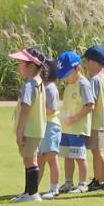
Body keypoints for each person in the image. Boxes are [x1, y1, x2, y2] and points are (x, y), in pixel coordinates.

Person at [44, 50, 95, 197]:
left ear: (78, 68)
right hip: (66, 127)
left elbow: (89, 105)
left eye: (68, 74)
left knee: (79, 156)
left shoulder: (83, 84)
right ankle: (68, 182)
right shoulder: (69, 84)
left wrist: (75, 118)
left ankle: (82, 183)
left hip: (78, 127)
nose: (66, 78)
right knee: (67, 155)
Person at [8, 47, 47, 202]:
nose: (19, 66)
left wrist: (20, 130)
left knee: (30, 158)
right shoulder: (38, 83)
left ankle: (33, 194)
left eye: (22, 63)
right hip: (36, 128)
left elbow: (26, 108)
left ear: (31, 65)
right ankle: (28, 192)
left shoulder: (31, 85)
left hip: (30, 129)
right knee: (28, 158)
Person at [82, 45, 104, 193]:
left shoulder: (94, 80)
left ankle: (102, 181)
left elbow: (91, 100)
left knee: (98, 151)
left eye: (86, 62)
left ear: (94, 62)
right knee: (96, 151)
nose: (85, 65)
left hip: (96, 122)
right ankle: (98, 179)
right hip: (102, 120)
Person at [37, 55, 63, 195]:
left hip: (51, 126)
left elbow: (52, 109)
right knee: (40, 159)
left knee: (52, 158)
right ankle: (33, 189)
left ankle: (54, 189)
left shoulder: (50, 88)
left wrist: (36, 110)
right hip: (44, 126)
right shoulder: (43, 86)